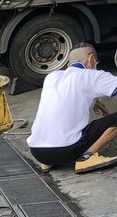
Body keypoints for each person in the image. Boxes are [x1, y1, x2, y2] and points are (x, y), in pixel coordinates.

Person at [28, 43, 117, 174]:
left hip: (38, 152)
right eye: (96, 62)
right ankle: (86, 158)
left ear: (69, 63)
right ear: (91, 59)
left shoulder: (51, 77)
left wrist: (94, 101)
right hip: (66, 150)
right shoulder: (91, 75)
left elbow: (65, 97)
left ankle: (49, 163)